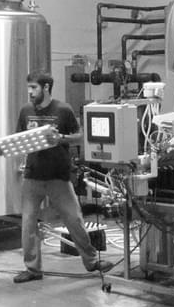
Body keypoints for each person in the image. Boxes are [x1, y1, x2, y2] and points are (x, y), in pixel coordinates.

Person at [13, 71, 114, 283]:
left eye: (34, 88)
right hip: (32, 177)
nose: (30, 92)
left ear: (47, 87)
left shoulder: (63, 110)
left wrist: (61, 138)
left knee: (74, 220)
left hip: (58, 177)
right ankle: (32, 269)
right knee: (28, 223)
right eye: (29, 88)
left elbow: (80, 137)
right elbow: (18, 138)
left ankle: (91, 261)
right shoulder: (25, 111)